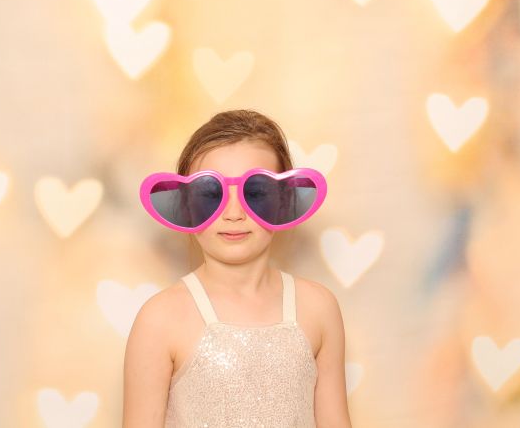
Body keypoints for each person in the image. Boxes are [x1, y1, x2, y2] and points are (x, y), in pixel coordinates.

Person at [122, 109, 353, 427]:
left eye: (255, 193)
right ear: (186, 204)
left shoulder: (318, 308)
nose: (233, 213)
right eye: (210, 194)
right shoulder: (159, 319)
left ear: (283, 201)